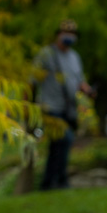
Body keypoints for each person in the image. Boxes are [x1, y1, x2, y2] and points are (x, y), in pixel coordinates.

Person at [32, 19, 92, 190]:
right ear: (58, 34)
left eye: (72, 34)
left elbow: (80, 81)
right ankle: (60, 180)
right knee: (65, 140)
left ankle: (50, 182)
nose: (69, 37)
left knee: (58, 146)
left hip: (68, 108)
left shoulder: (75, 57)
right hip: (50, 106)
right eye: (66, 33)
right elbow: (32, 80)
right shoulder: (46, 54)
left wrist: (88, 91)